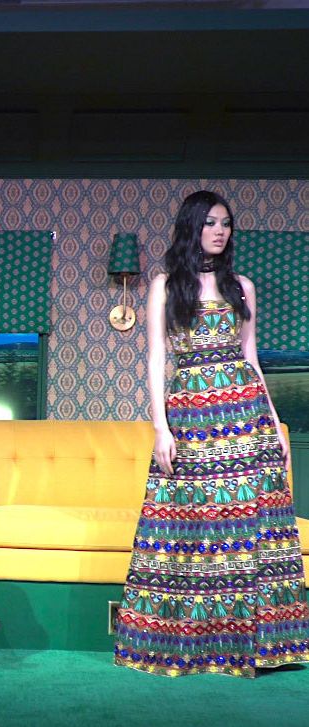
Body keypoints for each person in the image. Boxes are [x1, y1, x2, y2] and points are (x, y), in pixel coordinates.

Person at [114, 190, 309, 677]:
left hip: (246, 417)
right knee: (191, 526)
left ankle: (254, 647)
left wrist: (275, 425)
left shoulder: (242, 286)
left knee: (248, 528)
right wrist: (160, 427)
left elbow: (251, 358)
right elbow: (156, 359)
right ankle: (189, 644)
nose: (220, 231)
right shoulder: (165, 285)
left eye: (226, 224)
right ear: (192, 227)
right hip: (191, 416)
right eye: (211, 223)